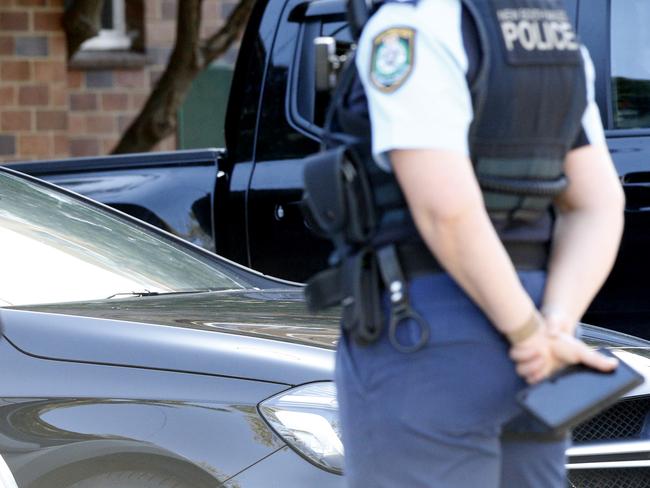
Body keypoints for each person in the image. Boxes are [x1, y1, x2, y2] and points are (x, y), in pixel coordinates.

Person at [303, 0, 625, 486]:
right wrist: (554, 328)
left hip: (433, 332)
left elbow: (447, 213)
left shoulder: (410, 26)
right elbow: (598, 204)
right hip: (545, 343)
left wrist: (527, 334)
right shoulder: (555, 38)